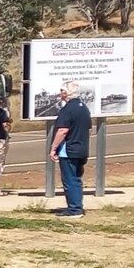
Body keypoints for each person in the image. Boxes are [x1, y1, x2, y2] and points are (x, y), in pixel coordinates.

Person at [48, 83, 93, 219]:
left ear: (66, 93)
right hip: (82, 148)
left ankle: (75, 209)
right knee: (76, 179)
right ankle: (76, 206)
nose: (60, 93)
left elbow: (62, 130)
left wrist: (53, 148)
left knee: (70, 180)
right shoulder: (84, 108)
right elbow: (89, 130)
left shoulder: (68, 109)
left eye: (62, 91)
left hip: (69, 150)